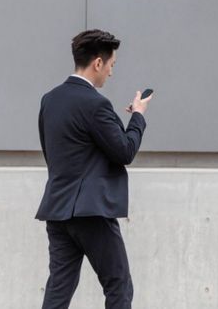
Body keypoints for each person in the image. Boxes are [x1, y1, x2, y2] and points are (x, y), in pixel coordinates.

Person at [36, 29, 152, 309]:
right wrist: (138, 116)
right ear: (98, 63)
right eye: (111, 65)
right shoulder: (96, 104)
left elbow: (52, 153)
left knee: (58, 290)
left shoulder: (50, 99)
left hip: (57, 209)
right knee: (118, 285)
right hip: (91, 211)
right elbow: (125, 151)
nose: (111, 72)